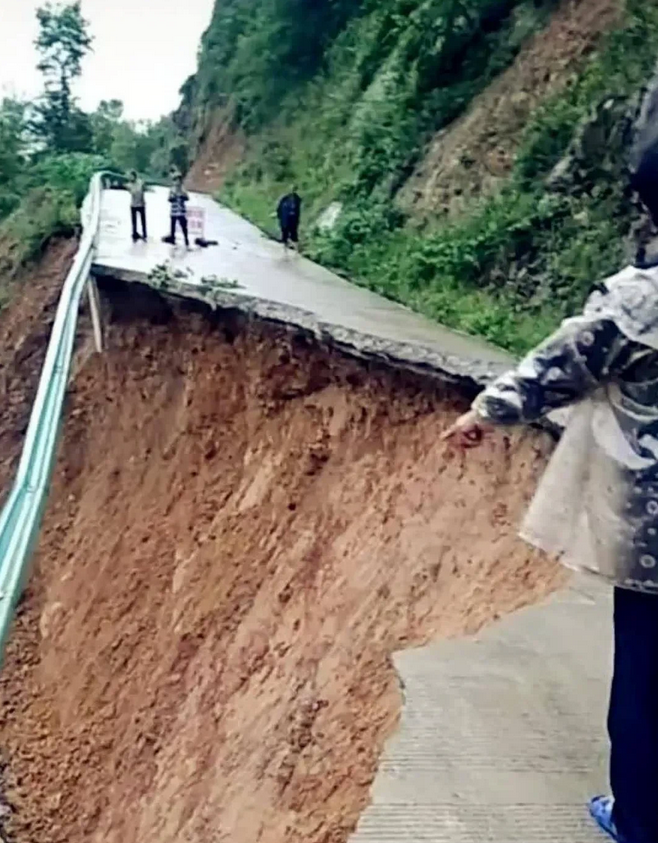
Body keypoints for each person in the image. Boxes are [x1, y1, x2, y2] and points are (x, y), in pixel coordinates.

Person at [443, 81, 658, 843]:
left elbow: (557, 365)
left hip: (655, 542)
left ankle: (638, 819)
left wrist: (486, 410)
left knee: (646, 682)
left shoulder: (638, 303)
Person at [168, 174, 190, 247]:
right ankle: (172, 239)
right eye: (176, 180)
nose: (177, 182)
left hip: (181, 211)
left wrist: (182, 196)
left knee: (184, 226)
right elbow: (169, 199)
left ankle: (186, 240)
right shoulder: (172, 189)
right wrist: (173, 197)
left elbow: (187, 198)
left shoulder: (183, 189)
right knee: (172, 227)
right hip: (174, 211)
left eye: (179, 180)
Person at [127, 170, 147, 242]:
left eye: (131, 176)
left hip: (141, 204)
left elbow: (143, 190)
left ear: (134, 176)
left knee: (143, 220)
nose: (130, 178)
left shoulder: (140, 182)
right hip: (133, 204)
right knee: (134, 221)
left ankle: (144, 234)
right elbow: (132, 192)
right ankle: (134, 233)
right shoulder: (129, 185)